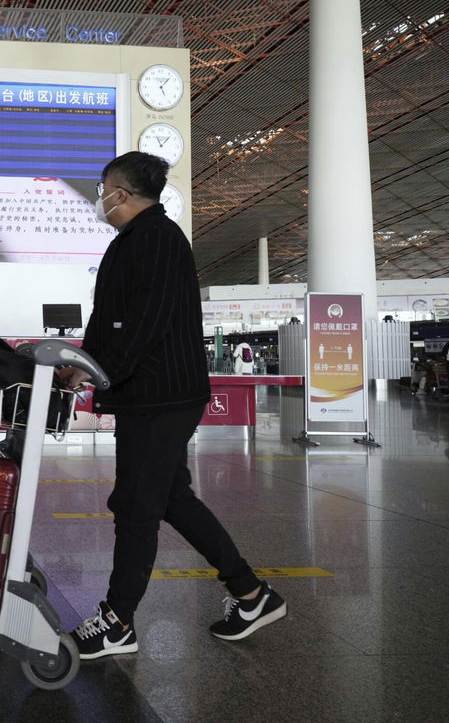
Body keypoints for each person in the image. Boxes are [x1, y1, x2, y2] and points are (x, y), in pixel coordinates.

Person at [63, 151, 286, 660]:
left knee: (137, 507)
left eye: (104, 189)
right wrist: (84, 362)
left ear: (122, 192)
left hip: (163, 395)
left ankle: (117, 621)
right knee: (168, 499)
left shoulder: (160, 239)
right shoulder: (130, 243)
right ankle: (251, 594)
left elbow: (146, 324)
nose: (101, 199)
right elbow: (111, 319)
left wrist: (101, 368)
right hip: (146, 394)